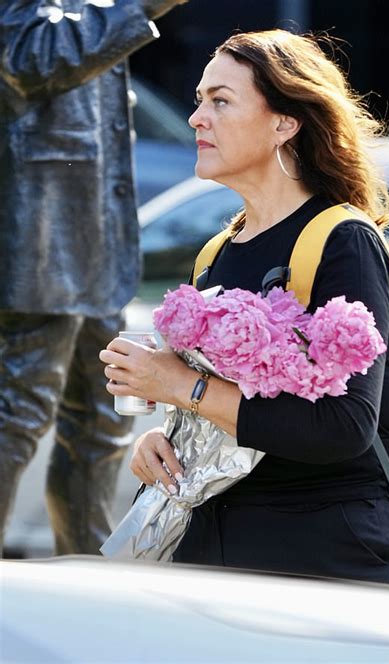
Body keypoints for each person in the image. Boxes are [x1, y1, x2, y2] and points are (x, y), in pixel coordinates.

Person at [99, 29, 389, 588]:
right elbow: (222, 418)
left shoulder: (340, 240)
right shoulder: (214, 255)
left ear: (285, 122)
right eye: (200, 99)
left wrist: (183, 386)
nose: (196, 118)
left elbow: (343, 428)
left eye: (221, 101)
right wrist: (159, 444)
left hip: (327, 567)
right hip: (217, 562)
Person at [0, 0, 189, 557]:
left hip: (93, 242)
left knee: (101, 426)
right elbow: (24, 56)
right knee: (17, 412)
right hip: (38, 237)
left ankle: (82, 587)